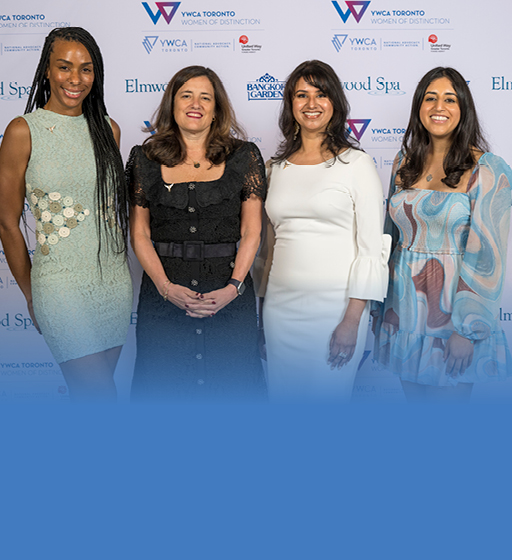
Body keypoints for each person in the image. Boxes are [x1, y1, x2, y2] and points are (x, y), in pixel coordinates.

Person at [0, 27, 133, 402]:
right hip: (58, 287)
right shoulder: (23, 131)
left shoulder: (109, 129)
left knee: (96, 396)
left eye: (86, 69)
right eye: (64, 67)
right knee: (98, 395)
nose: (75, 79)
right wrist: (31, 293)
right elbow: (7, 222)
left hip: (113, 281)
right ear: (47, 70)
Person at [373, 67, 512, 403]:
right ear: (419, 107)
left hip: (455, 315)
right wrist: (379, 309)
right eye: (430, 97)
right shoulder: (403, 164)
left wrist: (468, 329)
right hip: (403, 311)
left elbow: (487, 258)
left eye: (450, 99)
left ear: (463, 108)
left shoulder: (488, 169)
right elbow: (388, 240)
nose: (439, 106)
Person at [127, 65, 266, 400]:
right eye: (186, 94)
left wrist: (233, 288)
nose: (196, 103)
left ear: (216, 109)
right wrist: (165, 288)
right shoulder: (143, 159)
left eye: (206, 97)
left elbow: (251, 232)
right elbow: (140, 234)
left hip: (229, 298)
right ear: (171, 104)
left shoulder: (244, 157)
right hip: (164, 301)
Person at [253, 60, 390, 401]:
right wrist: (261, 313)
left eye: (321, 94)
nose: (311, 104)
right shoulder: (275, 168)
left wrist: (351, 320)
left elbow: (371, 248)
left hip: (335, 312)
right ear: (290, 104)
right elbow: (267, 250)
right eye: (302, 95)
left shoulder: (357, 164)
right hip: (280, 311)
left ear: (336, 104)